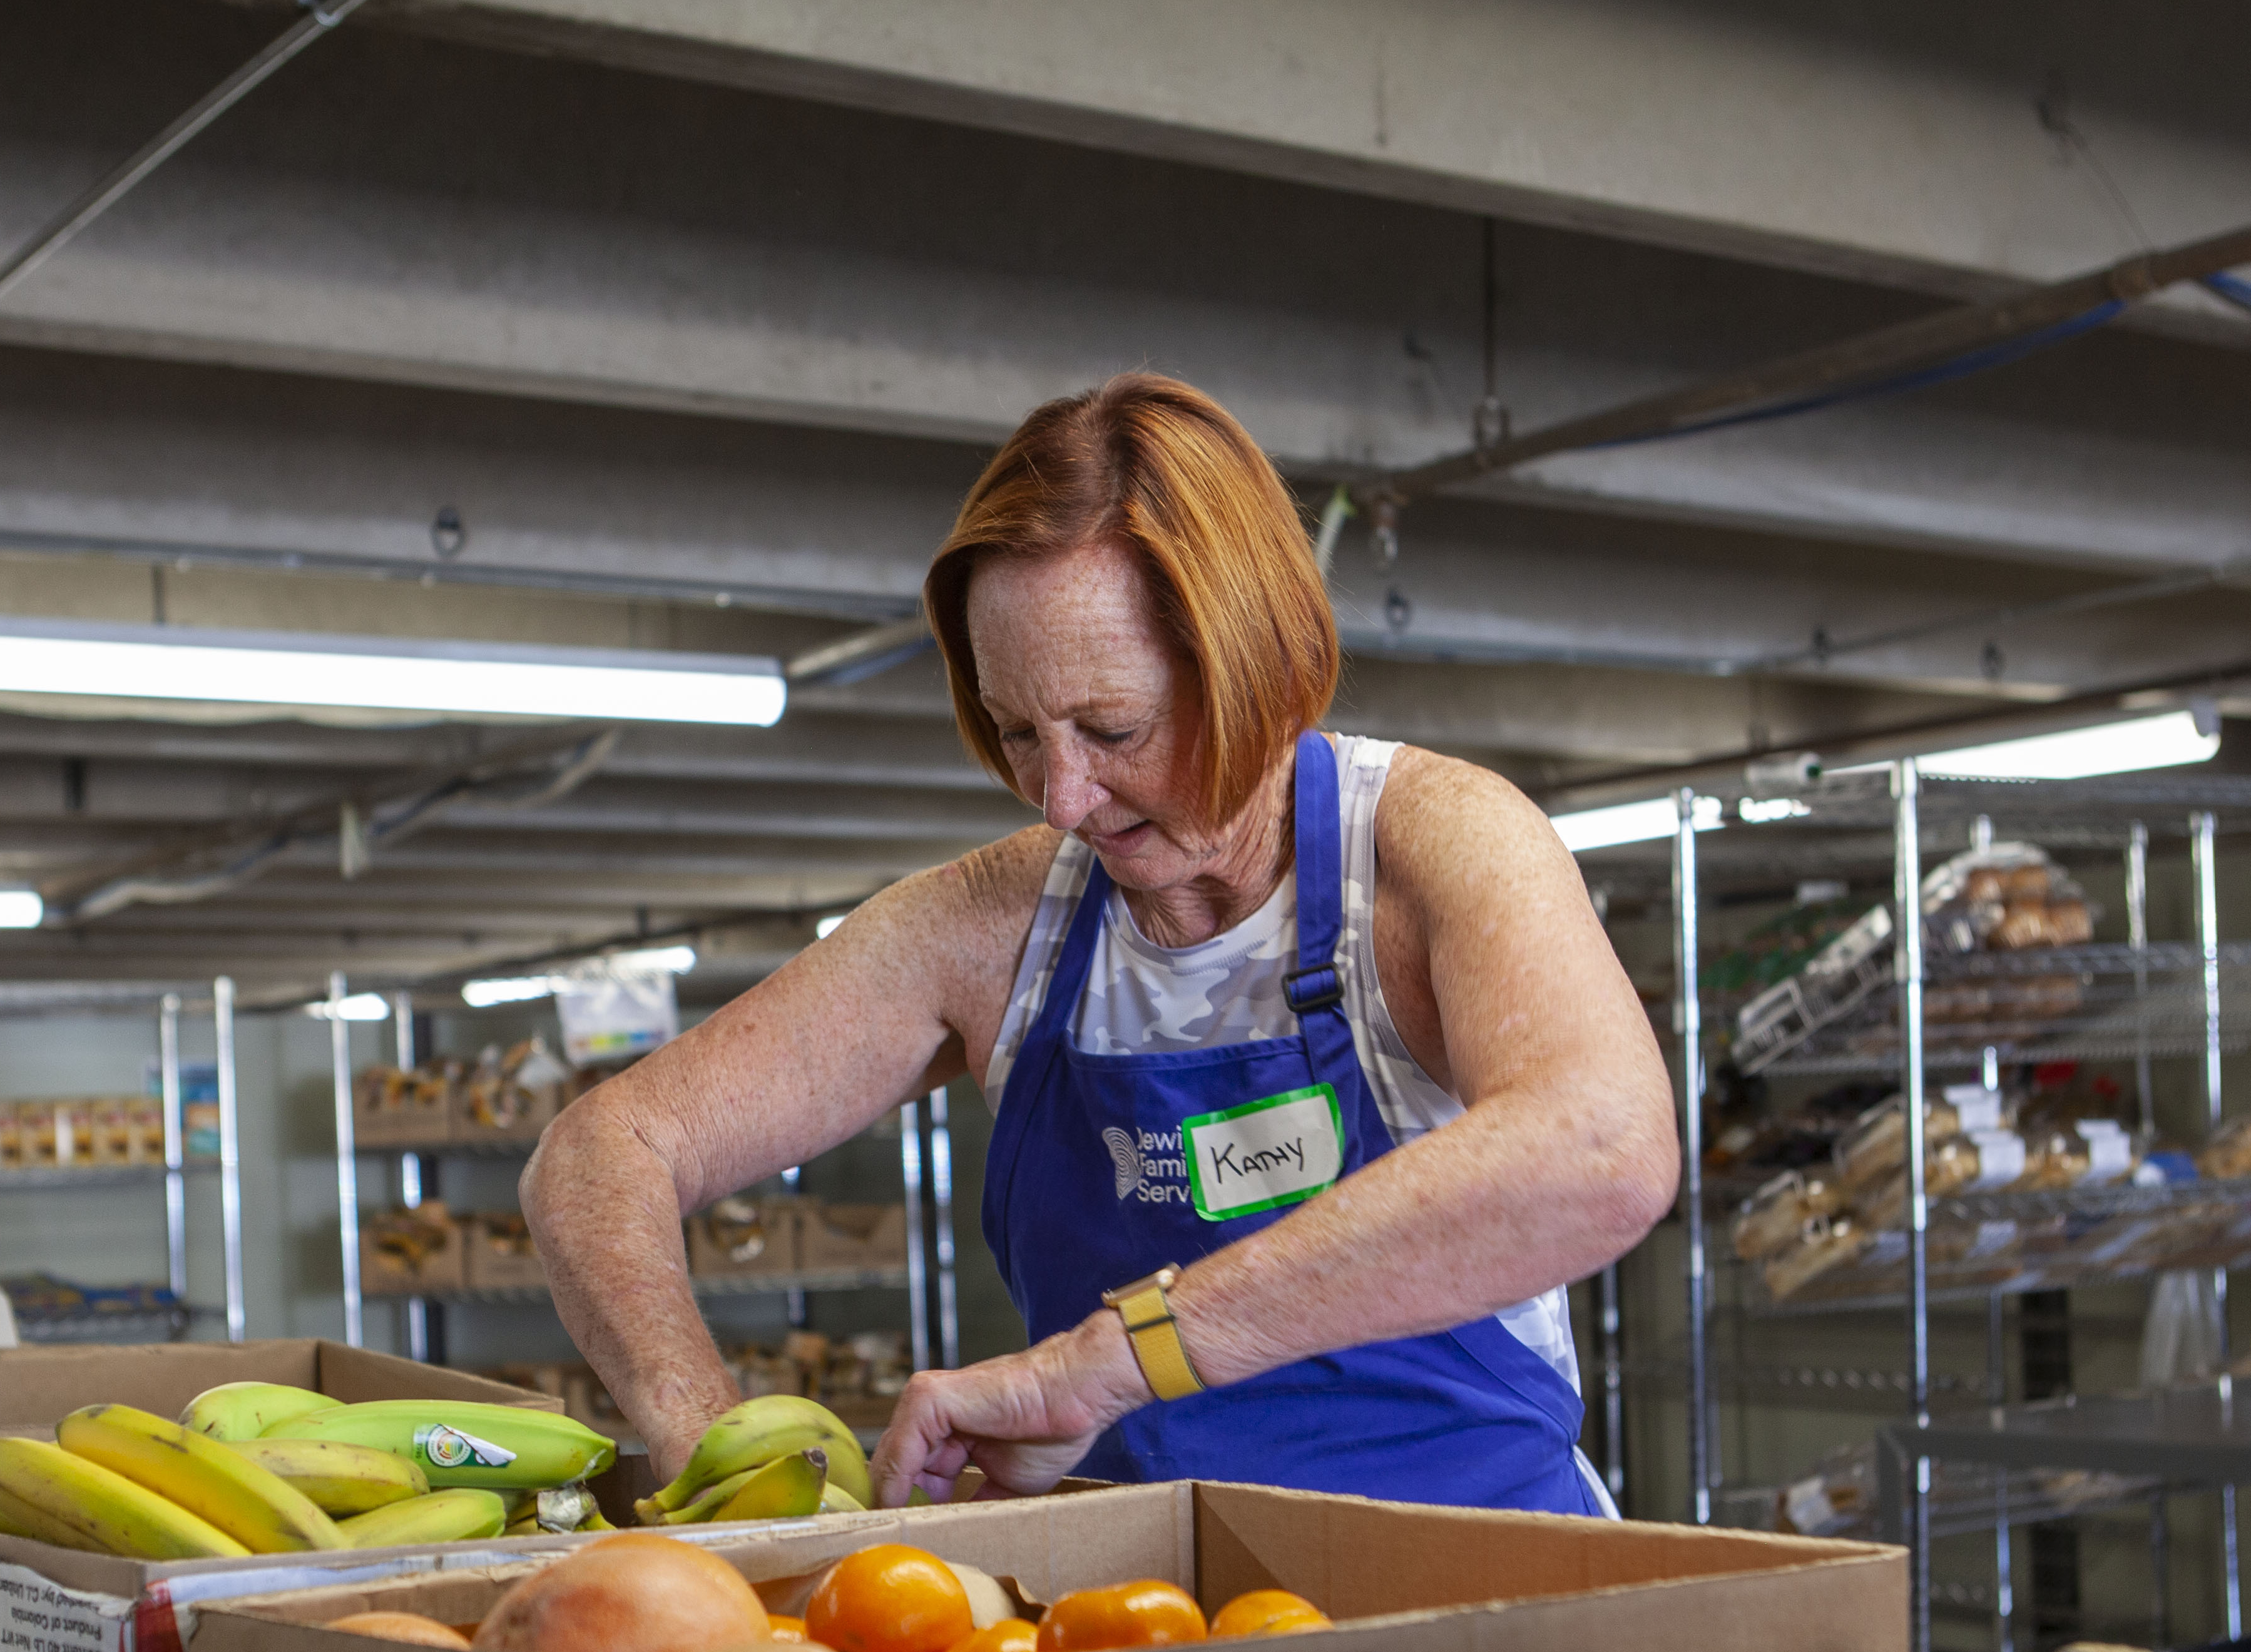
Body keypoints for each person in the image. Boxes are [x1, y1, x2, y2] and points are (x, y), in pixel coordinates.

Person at [524, 373, 1679, 1511]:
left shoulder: (1430, 847)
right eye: (1019, 731)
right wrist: (700, 1435)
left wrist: (1113, 1361)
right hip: (1136, 1612)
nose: (1062, 800)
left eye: (1113, 728)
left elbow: (1602, 1149)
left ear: (1257, 667)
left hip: (1484, 1581)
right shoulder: (995, 931)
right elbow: (599, 1153)